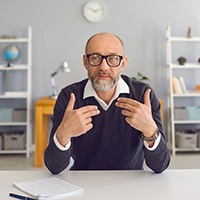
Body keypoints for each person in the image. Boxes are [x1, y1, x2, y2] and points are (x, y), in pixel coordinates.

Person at [44, 32, 170, 174]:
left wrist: (150, 131)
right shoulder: (69, 97)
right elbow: (54, 167)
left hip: (131, 184)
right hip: (83, 183)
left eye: (113, 58)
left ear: (123, 63)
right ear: (85, 62)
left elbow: (160, 165)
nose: (104, 67)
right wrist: (63, 134)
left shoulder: (143, 95)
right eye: (95, 58)